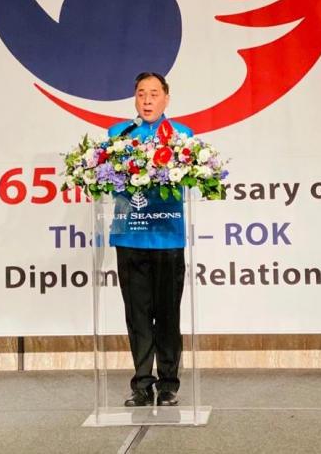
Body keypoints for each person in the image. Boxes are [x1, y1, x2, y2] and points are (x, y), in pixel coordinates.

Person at [107, 72, 193, 407]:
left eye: (154, 94)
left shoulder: (181, 136)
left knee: (168, 313)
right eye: (141, 93)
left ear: (166, 99)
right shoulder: (118, 135)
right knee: (137, 314)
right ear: (134, 98)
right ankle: (142, 383)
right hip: (130, 236)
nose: (147, 100)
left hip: (167, 237)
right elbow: (109, 183)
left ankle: (168, 383)